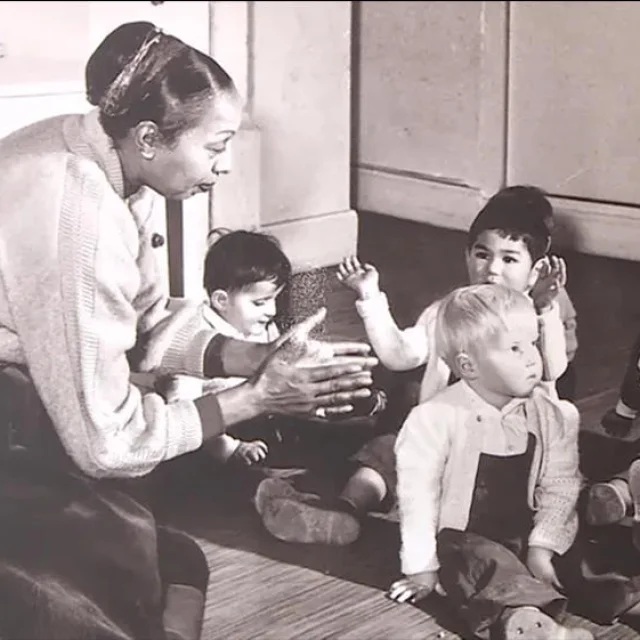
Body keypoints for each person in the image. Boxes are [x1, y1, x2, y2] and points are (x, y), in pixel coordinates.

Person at [0, 21, 377, 640]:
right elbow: (106, 443)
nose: (223, 167)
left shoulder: (105, 158)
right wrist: (251, 401)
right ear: (150, 138)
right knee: (121, 588)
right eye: (216, 147)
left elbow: (146, 324)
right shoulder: (81, 215)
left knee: (165, 563)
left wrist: (257, 357)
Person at [253, 184, 573, 547]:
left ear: (535, 271)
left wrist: (545, 310)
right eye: (482, 254)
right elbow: (400, 354)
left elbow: (554, 369)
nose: (492, 270)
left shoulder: (534, 314)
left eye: (510, 259)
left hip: (504, 450)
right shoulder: (445, 311)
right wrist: (370, 296)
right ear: (468, 256)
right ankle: (344, 513)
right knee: (384, 452)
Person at [388, 284, 640, 640]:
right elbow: (417, 499)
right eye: (515, 348)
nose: (531, 357)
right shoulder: (434, 419)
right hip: (464, 536)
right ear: (468, 366)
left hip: (527, 528)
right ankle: (528, 623)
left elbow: (561, 485)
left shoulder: (552, 415)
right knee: (485, 565)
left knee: (577, 558)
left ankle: (625, 600)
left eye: (533, 344)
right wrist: (421, 567)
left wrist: (542, 546)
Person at [157, 228, 292, 467]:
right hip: (216, 432)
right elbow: (183, 408)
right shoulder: (193, 337)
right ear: (221, 300)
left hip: (260, 415)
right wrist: (229, 448)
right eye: (260, 302)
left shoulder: (261, 325)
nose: (272, 311)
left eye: (274, 299)